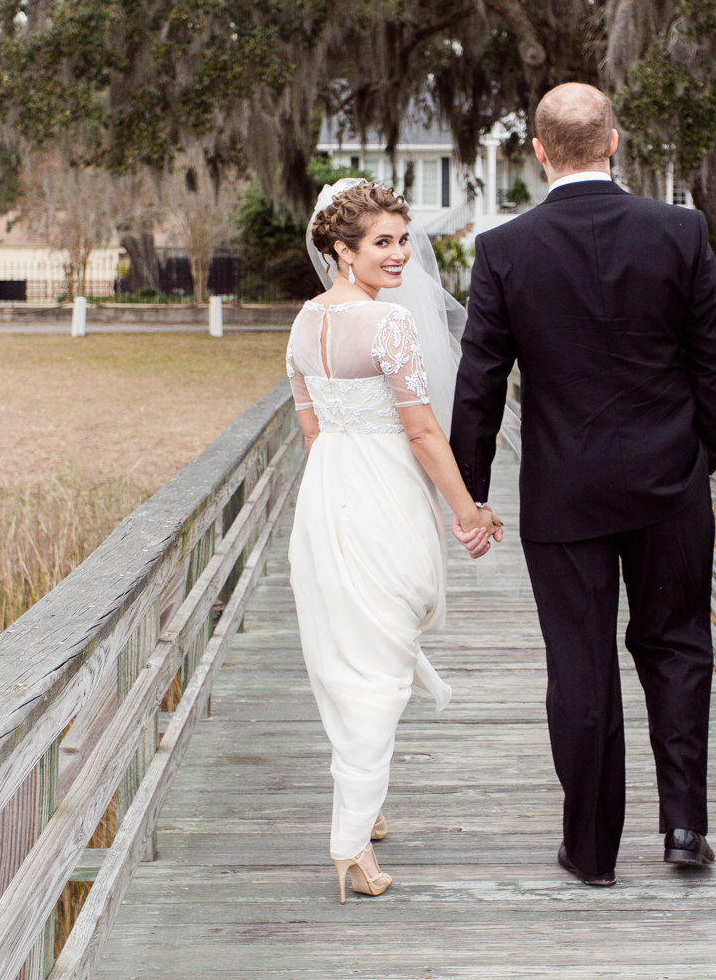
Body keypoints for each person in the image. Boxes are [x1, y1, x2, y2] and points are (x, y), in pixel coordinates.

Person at [450, 82, 716, 886]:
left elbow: (479, 383)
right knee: (677, 645)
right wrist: (706, 456)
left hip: (564, 493)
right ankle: (684, 827)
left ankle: (591, 851)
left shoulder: (505, 251)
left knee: (579, 663)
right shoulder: (679, 232)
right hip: (667, 483)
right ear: (613, 141)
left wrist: (470, 493)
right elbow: (715, 362)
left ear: (539, 152)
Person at [285, 179, 504, 904]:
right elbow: (420, 431)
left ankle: (367, 805)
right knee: (378, 668)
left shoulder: (302, 324)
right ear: (343, 251)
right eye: (382, 242)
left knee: (344, 651)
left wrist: (334, 490)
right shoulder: (389, 327)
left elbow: (312, 428)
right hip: (380, 495)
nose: (400, 255)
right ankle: (348, 844)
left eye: (404, 240)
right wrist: (468, 510)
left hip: (325, 495)